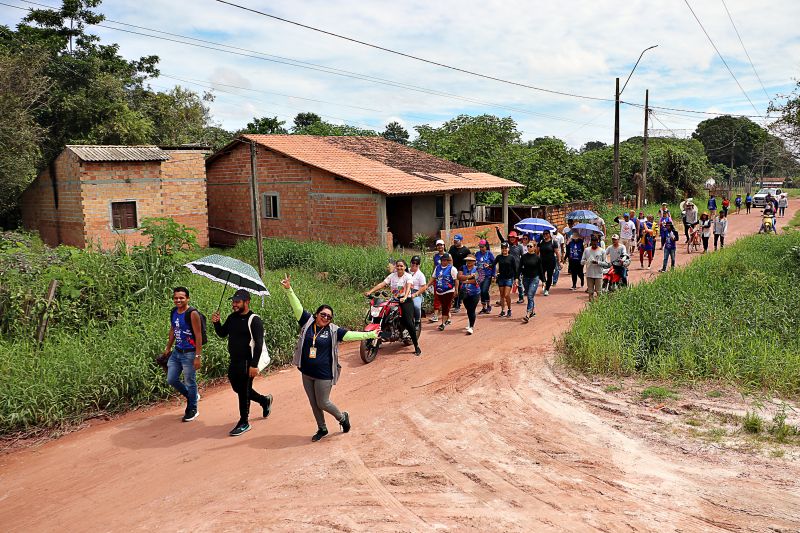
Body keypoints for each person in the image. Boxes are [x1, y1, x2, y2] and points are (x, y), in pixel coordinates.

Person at [281, 275, 378, 442]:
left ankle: (342, 418)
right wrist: (289, 289)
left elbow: (350, 335)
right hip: (306, 371)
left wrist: (370, 334)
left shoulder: (333, 330)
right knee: (314, 403)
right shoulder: (307, 321)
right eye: (323, 314)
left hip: (324, 374)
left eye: (329, 316)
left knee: (323, 402)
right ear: (317, 313)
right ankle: (322, 428)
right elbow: (296, 306)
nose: (325, 318)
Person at [211, 289, 272, 437]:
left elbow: (258, 343)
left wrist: (253, 365)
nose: (234, 305)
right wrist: (217, 323)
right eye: (233, 302)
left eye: (237, 302)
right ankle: (264, 400)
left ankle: (244, 421)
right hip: (234, 361)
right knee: (238, 388)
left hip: (247, 362)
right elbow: (222, 333)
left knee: (243, 391)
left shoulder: (254, 320)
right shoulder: (232, 318)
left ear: (247, 302)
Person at [162, 286, 203, 422]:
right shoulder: (174, 311)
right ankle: (192, 396)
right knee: (171, 379)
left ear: (187, 298)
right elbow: (173, 329)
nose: (178, 300)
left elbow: (198, 336)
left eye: (181, 298)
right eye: (176, 298)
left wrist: (198, 356)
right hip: (177, 352)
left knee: (190, 382)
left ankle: (192, 408)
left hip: (190, 353)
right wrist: (168, 347)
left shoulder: (192, 313)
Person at [364, 259, 421, 355]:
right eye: (397, 266)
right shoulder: (392, 276)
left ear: (405, 267)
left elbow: (408, 287)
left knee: (408, 322)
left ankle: (416, 346)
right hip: (394, 300)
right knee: (384, 315)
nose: (399, 267)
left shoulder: (408, 276)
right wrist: (370, 291)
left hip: (406, 301)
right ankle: (381, 337)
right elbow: (382, 284)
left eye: (401, 266)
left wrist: (405, 296)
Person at [415, 253, 457, 331]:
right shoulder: (437, 268)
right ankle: (448, 318)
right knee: (444, 305)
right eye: (442, 260)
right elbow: (433, 278)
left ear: (448, 261)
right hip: (439, 291)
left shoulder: (452, 269)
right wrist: (427, 285)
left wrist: (456, 290)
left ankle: (443, 323)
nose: (444, 262)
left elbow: (456, 280)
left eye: (445, 260)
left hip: (449, 290)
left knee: (445, 306)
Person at [495, 227, 524, 304]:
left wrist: (523, 266)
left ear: (516, 238)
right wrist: (498, 231)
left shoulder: (519, 247)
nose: (512, 239)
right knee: (505, 284)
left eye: (513, 237)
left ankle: (521, 297)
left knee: (519, 283)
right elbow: (501, 239)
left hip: (517, 268)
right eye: (510, 237)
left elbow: (523, 257)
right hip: (507, 268)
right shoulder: (507, 245)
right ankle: (503, 299)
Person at [519, 241, 543, 322]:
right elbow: (519, 267)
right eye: (528, 246)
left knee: (529, 295)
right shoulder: (523, 257)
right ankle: (532, 311)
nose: (529, 247)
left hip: (534, 278)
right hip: (525, 278)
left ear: (534, 247)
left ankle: (528, 314)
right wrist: (516, 277)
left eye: (531, 246)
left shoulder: (537, 258)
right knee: (530, 295)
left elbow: (540, 270)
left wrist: (543, 281)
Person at [493, 242, 519, 318]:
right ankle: (503, 310)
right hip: (501, 278)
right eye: (503, 248)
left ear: (508, 249)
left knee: (506, 294)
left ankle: (509, 309)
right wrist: (489, 266)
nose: (504, 249)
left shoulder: (511, 258)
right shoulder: (499, 257)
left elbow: (515, 269)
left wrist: (516, 278)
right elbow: (493, 264)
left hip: (509, 278)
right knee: (501, 295)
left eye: (505, 248)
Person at [457, 256, 481, 334]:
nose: (469, 262)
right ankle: (470, 322)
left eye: (471, 261)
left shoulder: (478, 269)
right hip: (465, 292)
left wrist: (465, 281)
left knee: (472, 309)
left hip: (475, 292)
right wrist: (470, 276)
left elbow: (476, 281)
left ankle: (471, 327)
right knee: (468, 309)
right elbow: (459, 277)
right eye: (467, 261)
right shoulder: (462, 267)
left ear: (474, 261)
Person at [448, 234, 470, 313]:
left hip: (461, 272)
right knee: (453, 287)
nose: (455, 242)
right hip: (452, 271)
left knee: (460, 288)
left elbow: (469, 261)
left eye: (457, 241)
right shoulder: (452, 248)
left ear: (461, 241)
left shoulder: (466, 250)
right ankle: (455, 303)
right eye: (454, 241)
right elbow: (448, 258)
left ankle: (458, 305)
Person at [581, 235, 607, 302]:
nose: (594, 244)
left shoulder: (602, 251)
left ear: (598, 242)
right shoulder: (587, 250)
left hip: (598, 274)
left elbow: (606, 263)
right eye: (593, 243)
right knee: (590, 292)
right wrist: (586, 262)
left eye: (595, 243)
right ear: (591, 242)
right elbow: (581, 262)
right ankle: (591, 305)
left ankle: (600, 306)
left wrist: (598, 262)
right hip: (589, 274)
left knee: (599, 292)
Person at [475, 239, 495, 314]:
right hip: (480, 276)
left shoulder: (489, 254)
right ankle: (484, 308)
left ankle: (488, 305)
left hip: (487, 275)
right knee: (481, 291)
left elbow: (493, 264)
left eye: (482, 247)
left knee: (484, 290)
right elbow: (475, 263)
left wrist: (493, 275)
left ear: (486, 247)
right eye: (480, 247)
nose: (481, 248)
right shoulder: (477, 254)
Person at [428, 239, 446, 323]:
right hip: (437, 279)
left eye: (441, 245)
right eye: (438, 245)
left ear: (444, 246)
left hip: (446, 280)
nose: (440, 246)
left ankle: (447, 316)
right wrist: (432, 278)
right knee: (436, 296)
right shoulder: (435, 256)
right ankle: (435, 315)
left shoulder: (448, 255)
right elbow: (434, 268)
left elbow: (451, 268)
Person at [408, 256, 427, 329]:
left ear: (419, 264)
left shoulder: (420, 275)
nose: (414, 265)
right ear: (410, 263)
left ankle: (417, 321)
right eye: (413, 262)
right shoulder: (406, 271)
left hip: (416, 292)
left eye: (417, 263)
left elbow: (424, 287)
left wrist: (416, 294)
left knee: (416, 306)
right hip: (404, 291)